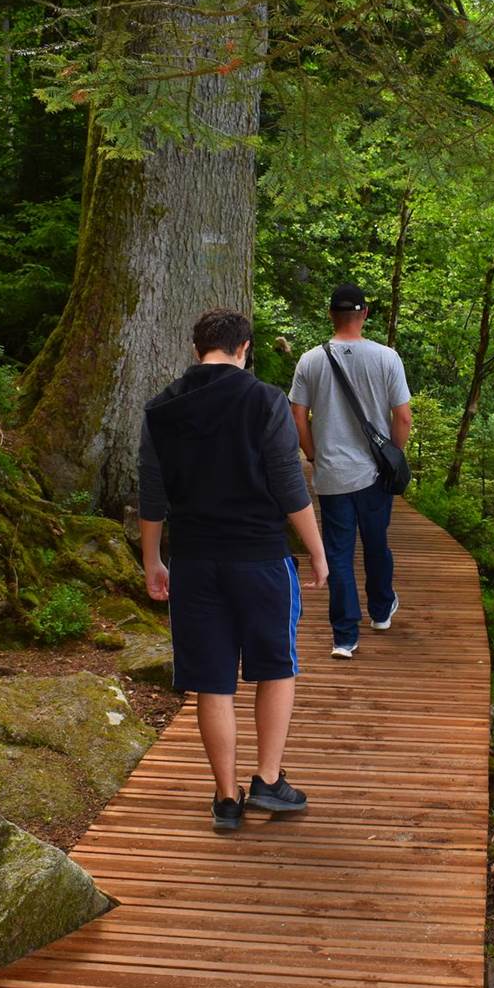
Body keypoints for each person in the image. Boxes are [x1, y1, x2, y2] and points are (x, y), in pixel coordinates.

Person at [138, 308, 329, 833]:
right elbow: (289, 485)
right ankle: (268, 779)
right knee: (276, 666)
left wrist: (153, 560)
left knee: (213, 683)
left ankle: (226, 798)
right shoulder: (264, 400)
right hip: (260, 558)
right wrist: (316, 549)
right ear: (244, 348)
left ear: (196, 348)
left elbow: (152, 494)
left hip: (195, 561)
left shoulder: (161, 409)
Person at [289, 284, 412, 659]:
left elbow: (297, 415)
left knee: (338, 554)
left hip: (331, 476)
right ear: (366, 313)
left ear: (330, 315)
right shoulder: (387, 357)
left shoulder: (310, 360)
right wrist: (392, 457)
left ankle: (344, 637)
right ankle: (380, 611)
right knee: (376, 544)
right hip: (374, 475)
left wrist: (313, 454)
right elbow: (403, 416)